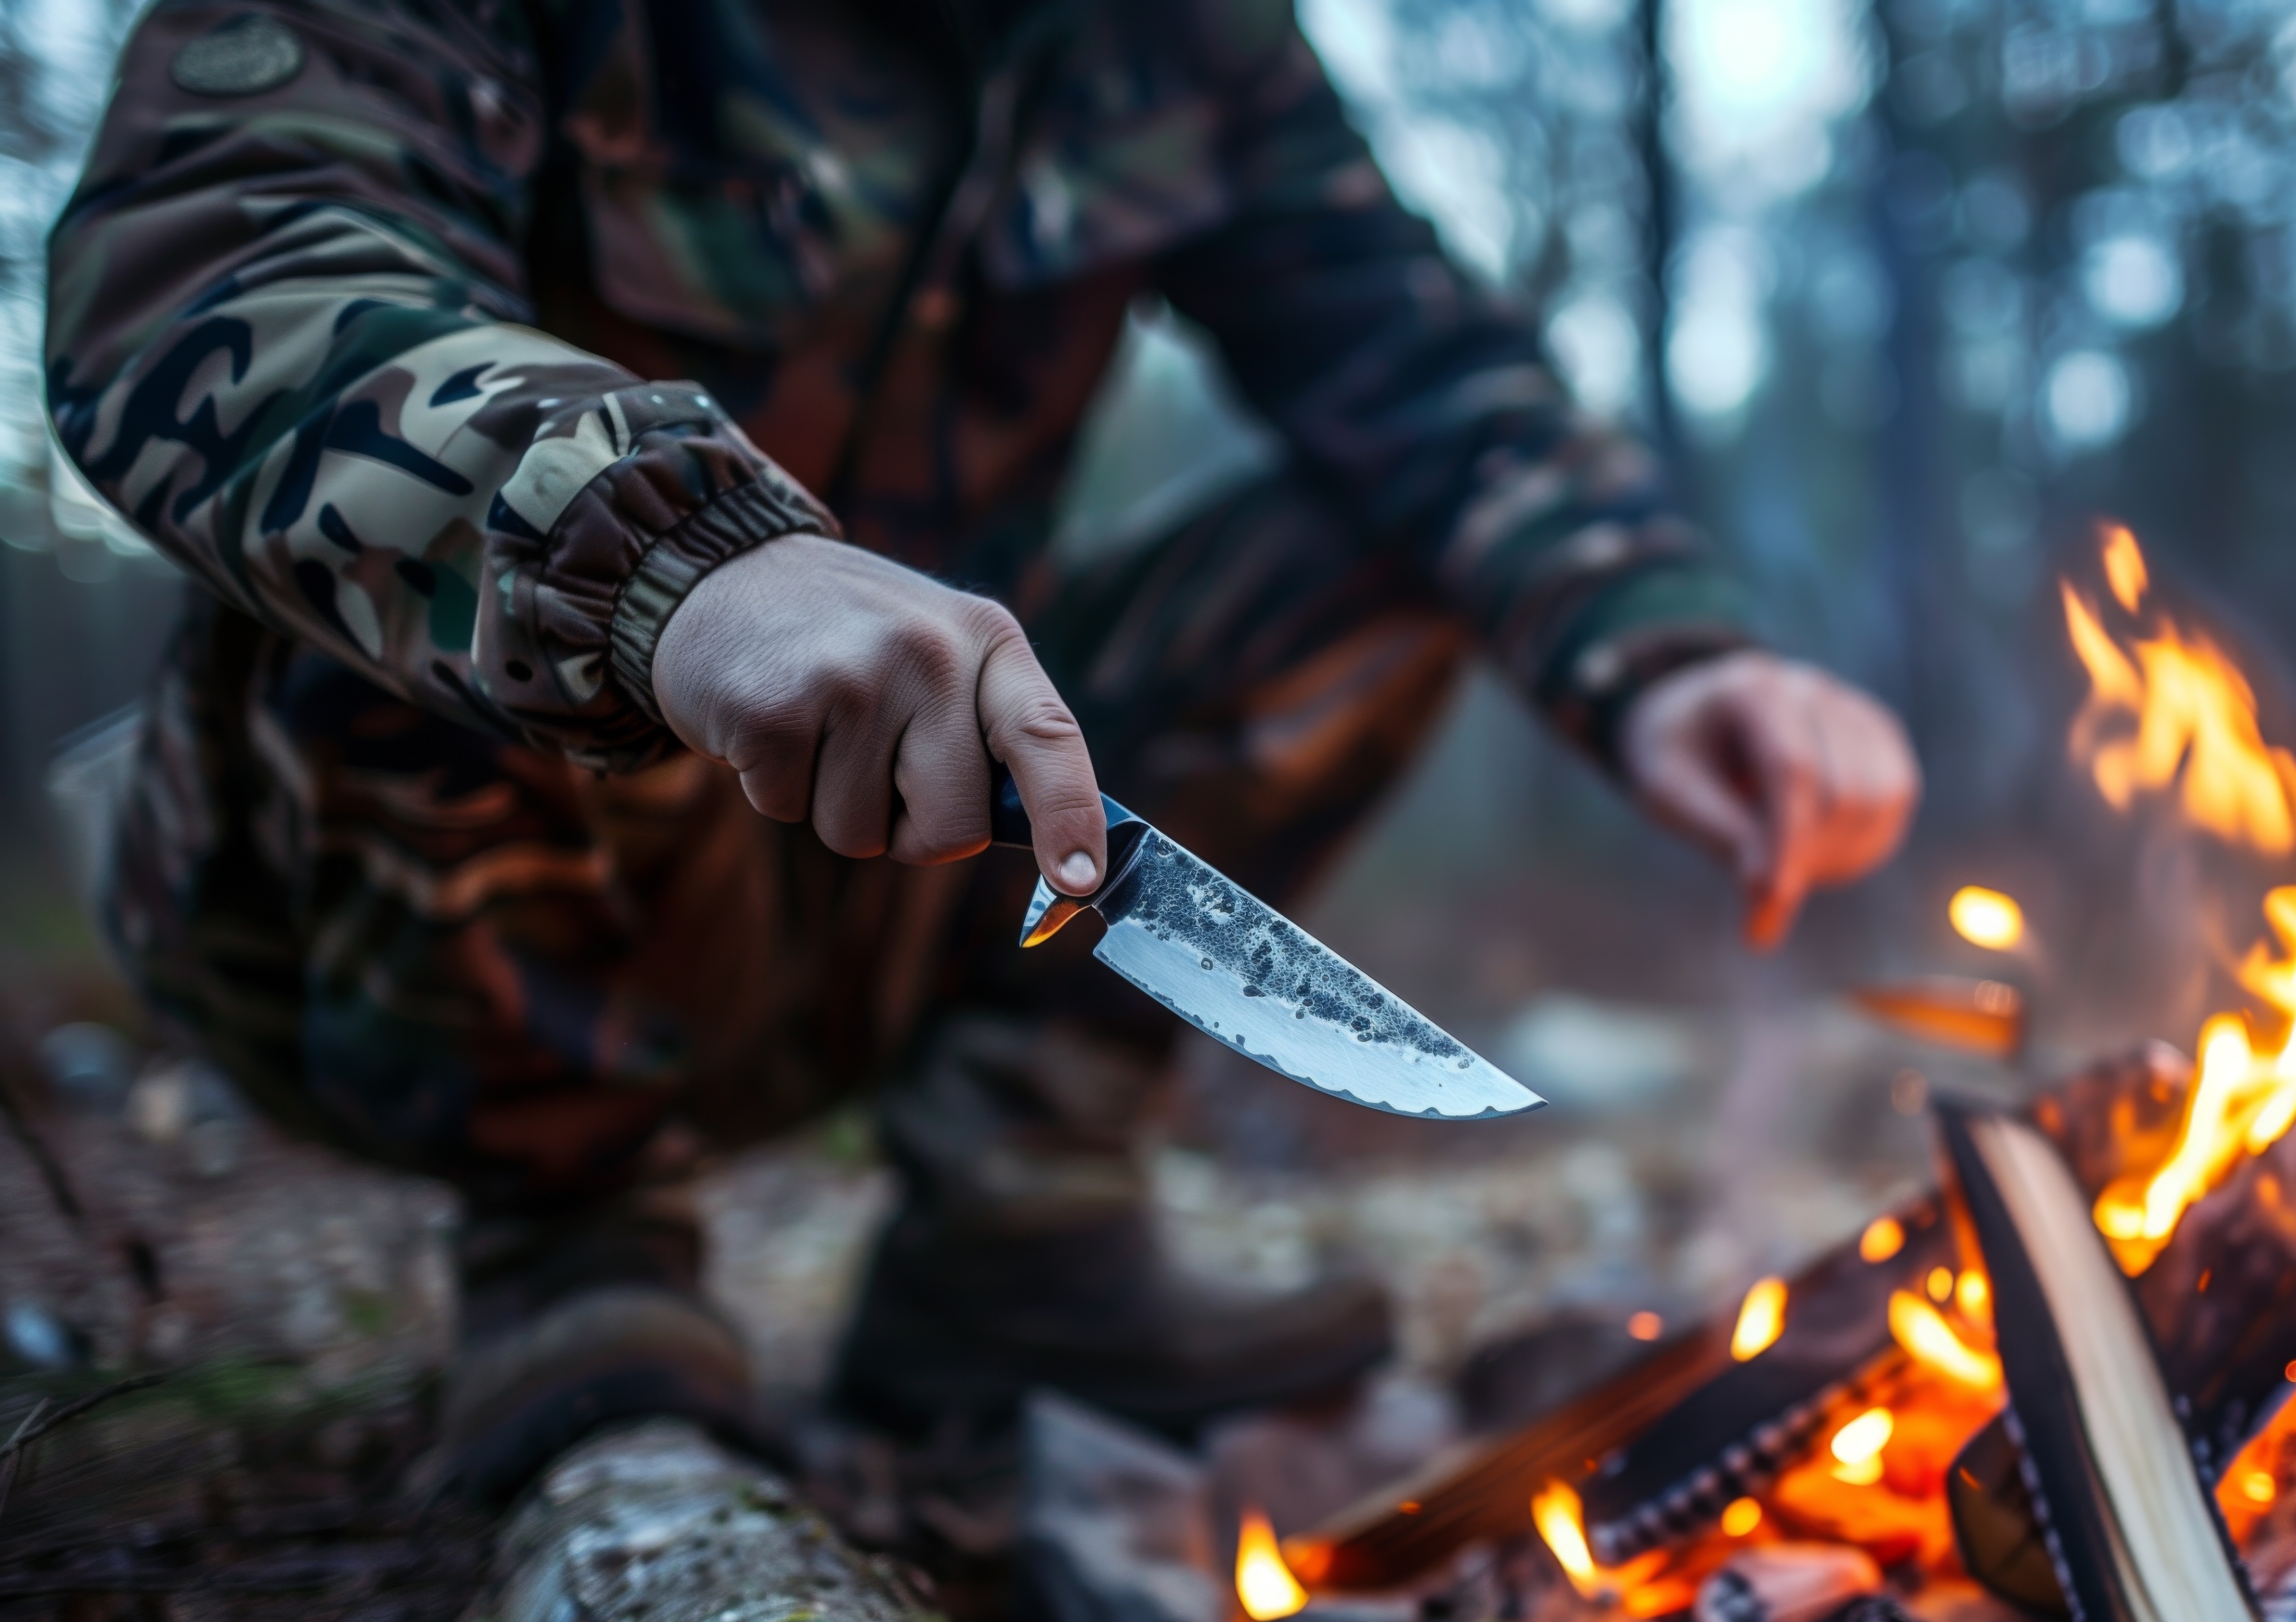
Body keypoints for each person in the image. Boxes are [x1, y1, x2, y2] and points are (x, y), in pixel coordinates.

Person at [46, 0, 1920, 1495]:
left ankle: (1016, 1218)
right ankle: (574, 1234)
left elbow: (1423, 378)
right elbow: (220, 257)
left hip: (903, 884)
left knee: (1400, 527)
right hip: (367, 934)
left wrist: (1667, 657)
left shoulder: (1173, 40)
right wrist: (677, 571)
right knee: (427, 555)